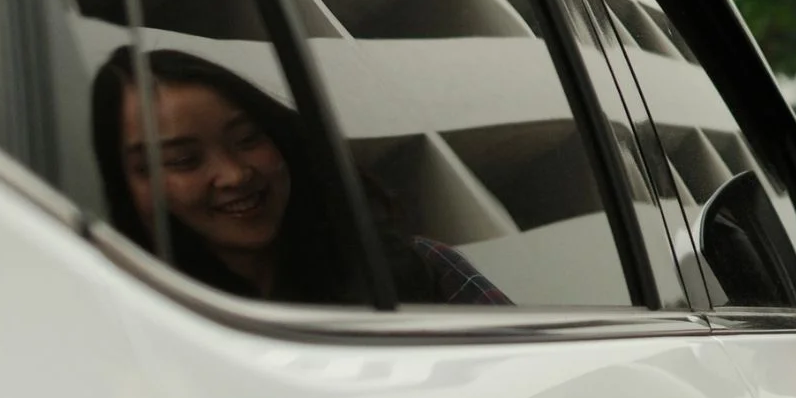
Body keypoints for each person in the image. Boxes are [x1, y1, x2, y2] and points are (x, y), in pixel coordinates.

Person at [91, 46, 506, 307]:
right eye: (183, 160)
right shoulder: (128, 329)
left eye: (249, 138)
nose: (235, 174)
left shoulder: (423, 271)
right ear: (131, 186)